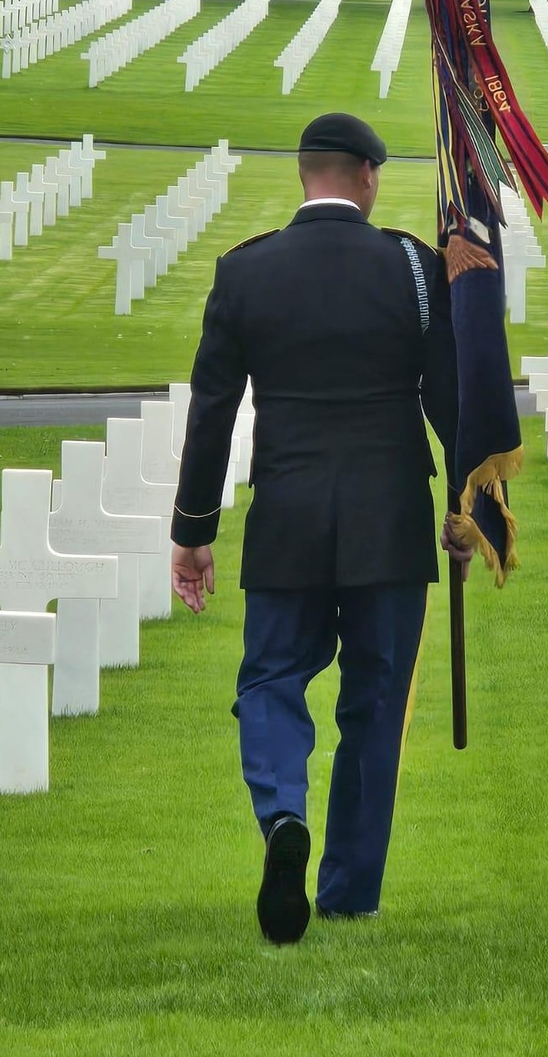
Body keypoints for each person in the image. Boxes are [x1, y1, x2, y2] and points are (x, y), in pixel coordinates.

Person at [170, 112, 471, 945]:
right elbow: (450, 397)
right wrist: (472, 503)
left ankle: (281, 818)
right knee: (374, 706)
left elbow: (212, 414)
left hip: (289, 518)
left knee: (270, 681)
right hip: (390, 523)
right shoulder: (415, 268)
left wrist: (194, 530)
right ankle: (349, 890)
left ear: (306, 176)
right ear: (368, 175)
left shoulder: (245, 272)